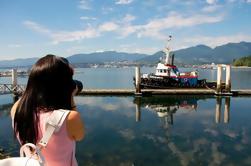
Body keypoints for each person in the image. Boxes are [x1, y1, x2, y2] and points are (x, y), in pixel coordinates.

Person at [11, 54, 85, 166]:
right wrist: (70, 97)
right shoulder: (70, 118)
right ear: (64, 86)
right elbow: (79, 136)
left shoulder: (17, 109)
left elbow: (29, 97)